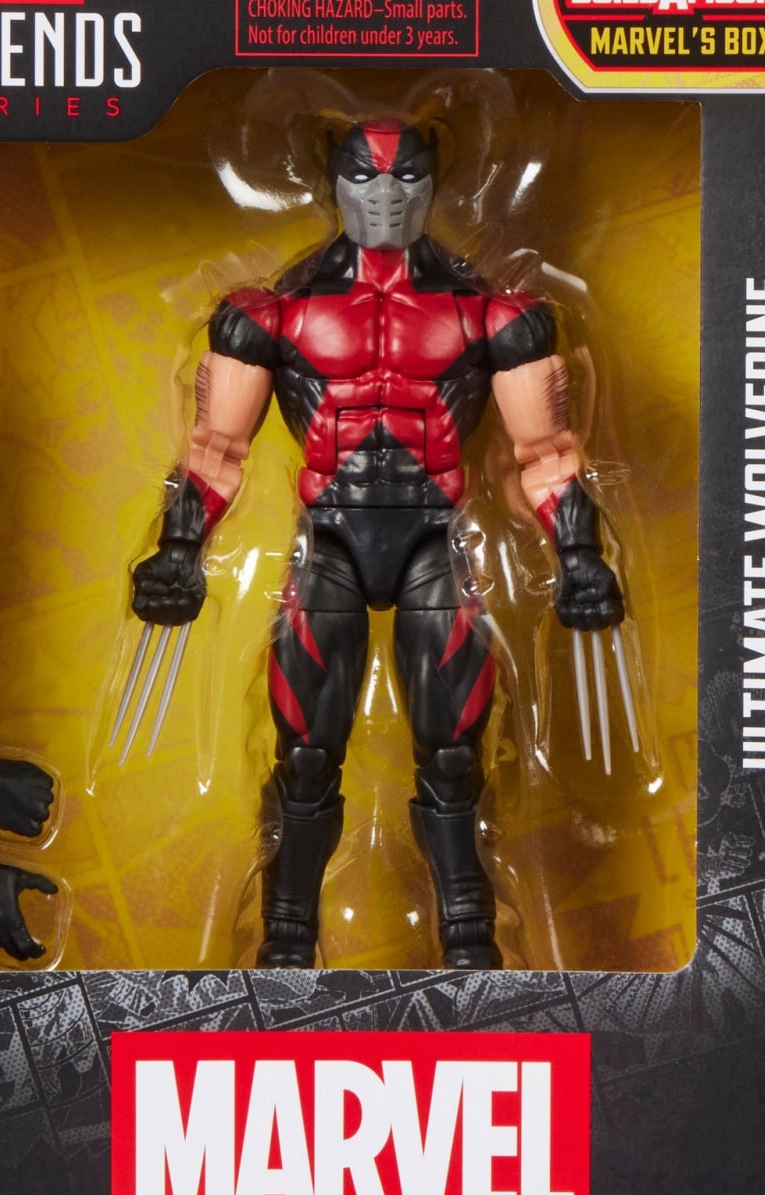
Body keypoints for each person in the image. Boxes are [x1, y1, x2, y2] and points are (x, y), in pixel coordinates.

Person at [128, 119, 625, 968]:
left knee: (454, 755)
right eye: (365, 179)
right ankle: (286, 943)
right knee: (305, 754)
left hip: (435, 539)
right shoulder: (271, 315)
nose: (386, 197)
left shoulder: (493, 315)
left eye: (405, 179)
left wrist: (578, 555)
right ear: (333, 183)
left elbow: (544, 452)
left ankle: (471, 944)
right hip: (331, 541)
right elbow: (216, 448)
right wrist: (179, 548)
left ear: (433, 183)